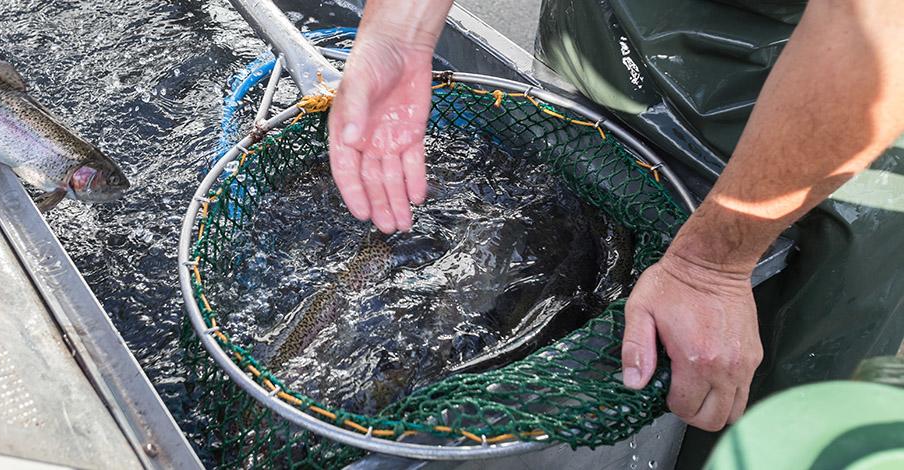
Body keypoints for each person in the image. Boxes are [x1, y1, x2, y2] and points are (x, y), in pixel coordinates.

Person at [326, 0, 904, 433]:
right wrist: (400, 32)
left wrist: (712, 265)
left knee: (771, 406)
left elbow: (878, 33)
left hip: (844, 99)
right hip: (614, 31)